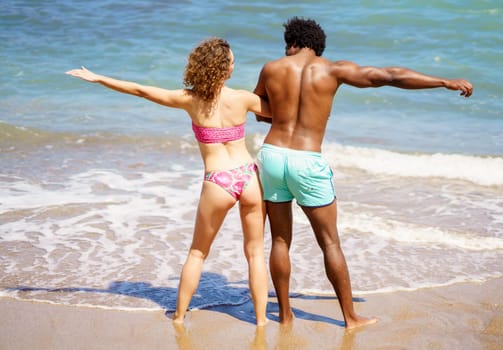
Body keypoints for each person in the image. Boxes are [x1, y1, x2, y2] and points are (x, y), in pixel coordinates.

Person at [253, 17, 473, 330]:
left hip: (272, 155)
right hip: (307, 159)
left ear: (293, 42)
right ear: (317, 46)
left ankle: (285, 315)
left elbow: (260, 108)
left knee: (279, 240)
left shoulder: (271, 68)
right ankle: (350, 317)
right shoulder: (332, 69)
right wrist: (443, 82)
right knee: (329, 243)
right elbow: (390, 76)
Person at [66, 37, 271, 326]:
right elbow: (283, 111)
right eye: (232, 62)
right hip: (248, 176)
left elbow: (141, 90)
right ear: (225, 69)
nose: (234, 65)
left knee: (198, 253)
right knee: (255, 253)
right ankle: (261, 321)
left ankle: (178, 316)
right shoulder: (243, 99)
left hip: (219, 180)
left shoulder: (189, 100)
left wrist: (99, 78)